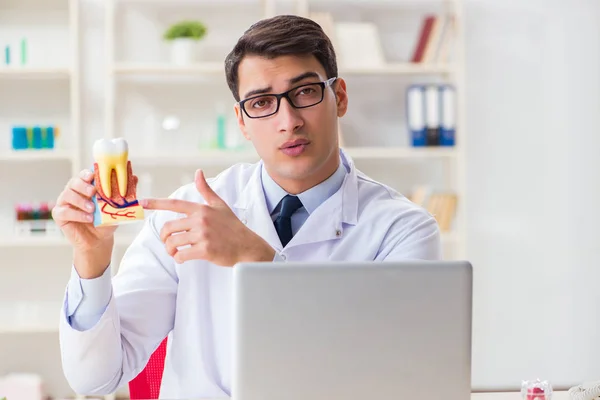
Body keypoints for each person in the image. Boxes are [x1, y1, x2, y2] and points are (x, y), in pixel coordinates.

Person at [54, 14, 441, 399]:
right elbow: (96, 379)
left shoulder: (402, 228)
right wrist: (92, 257)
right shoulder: (185, 213)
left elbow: (395, 376)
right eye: (262, 102)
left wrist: (256, 259)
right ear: (241, 120)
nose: (287, 121)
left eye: (305, 92)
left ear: (339, 97)